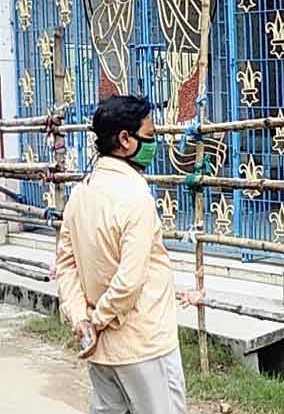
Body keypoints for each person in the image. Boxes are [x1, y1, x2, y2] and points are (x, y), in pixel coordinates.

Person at [56, 95, 203, 414]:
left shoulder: (81, 193)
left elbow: (66, 266)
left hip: (101, 350)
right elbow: (128, 280)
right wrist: (96, 320)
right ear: (125, 139)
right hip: (143, 344)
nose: (154, 144)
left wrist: (81, 318)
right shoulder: (136, 198)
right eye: (149, 137)